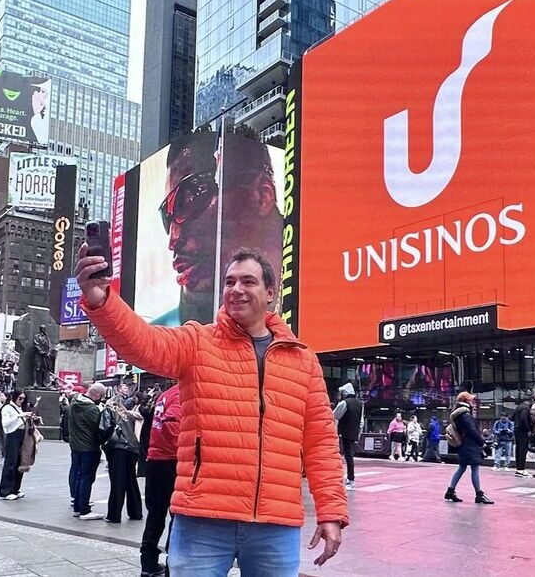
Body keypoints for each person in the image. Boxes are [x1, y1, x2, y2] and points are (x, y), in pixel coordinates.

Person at [76, 246, 348, 575]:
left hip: (276, 524)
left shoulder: (303, 361)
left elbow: (321, 443)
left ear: (271, 293)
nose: (236, 289)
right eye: (229, 282)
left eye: (248, 281)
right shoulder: (197, 342)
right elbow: (142, 342)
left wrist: (330, 512)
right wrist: (100, 299)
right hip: (202, 519)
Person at [152, 133, 283, 326]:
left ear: (263, 196)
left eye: (188, 199)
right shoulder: (166, 333)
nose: (173, 240)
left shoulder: (321, 297)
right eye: (167, 217)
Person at [141, 383, 181, 577]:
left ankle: (147, 564)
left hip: (156, 459)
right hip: (171, 461)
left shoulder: (166, 394)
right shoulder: (182, 394)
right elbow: (172, 424)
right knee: (177, 515)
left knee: (155, 515)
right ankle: (171, 565)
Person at [100, 389, 143, 523]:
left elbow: (104, 428)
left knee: (117, 481)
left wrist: (103, 443)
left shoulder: (108, 411)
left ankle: (114, 514)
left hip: (117, 448)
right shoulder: (127, 414)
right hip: (132, 448)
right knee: (131, 480)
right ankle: (136, 512)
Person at [444, 392, 493, 505]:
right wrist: (483, 443)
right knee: (474, 468)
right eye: (471, 400)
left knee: (462, 467)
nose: (473, 403)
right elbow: (472, 431)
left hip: (463, 445)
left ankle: (450, 491)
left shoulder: (458, 415)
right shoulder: (465, 415)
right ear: (466, 401)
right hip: (470, 445)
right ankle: (479, 494)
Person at [68, 382, 106, 520]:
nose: (101, 398)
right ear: (96, 394)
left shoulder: (74, 402)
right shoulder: (90, 409)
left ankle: (78, 507)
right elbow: (99, 428)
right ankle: (84, 509)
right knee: (86, 478)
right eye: (101, 396)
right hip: (89, 447)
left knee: (79, 476)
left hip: (76, 445)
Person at [0, 390, 31, 500]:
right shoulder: (7, 408)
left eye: (23, 399)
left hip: (22, 435)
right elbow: (6, 423)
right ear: (14, 397)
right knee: (11, 462)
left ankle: (15, 489)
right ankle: (5, 491)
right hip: (12, 436)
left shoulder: (20, 408)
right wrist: (19, 416)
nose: (21, 401)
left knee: (20, 462)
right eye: (20, 398)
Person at [333, 382, 362, 489]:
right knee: (349, 456)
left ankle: (351, 479)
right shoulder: (360, 403)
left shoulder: (344, 403)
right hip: (353, 432)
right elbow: (361, 421)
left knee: (347, 456)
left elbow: (335, 415)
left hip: (344, 432)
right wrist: (358, 434)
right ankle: (350, 478)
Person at [513, 396, 532, 477]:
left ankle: (518, 468)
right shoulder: (526, 408)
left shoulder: (517, 407)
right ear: (528, 401)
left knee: (518, 449)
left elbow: (512, 417)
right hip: (523, 430)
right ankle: (521, 468)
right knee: (523, 449)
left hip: (516, 429)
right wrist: (528, 429)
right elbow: (524, 418)